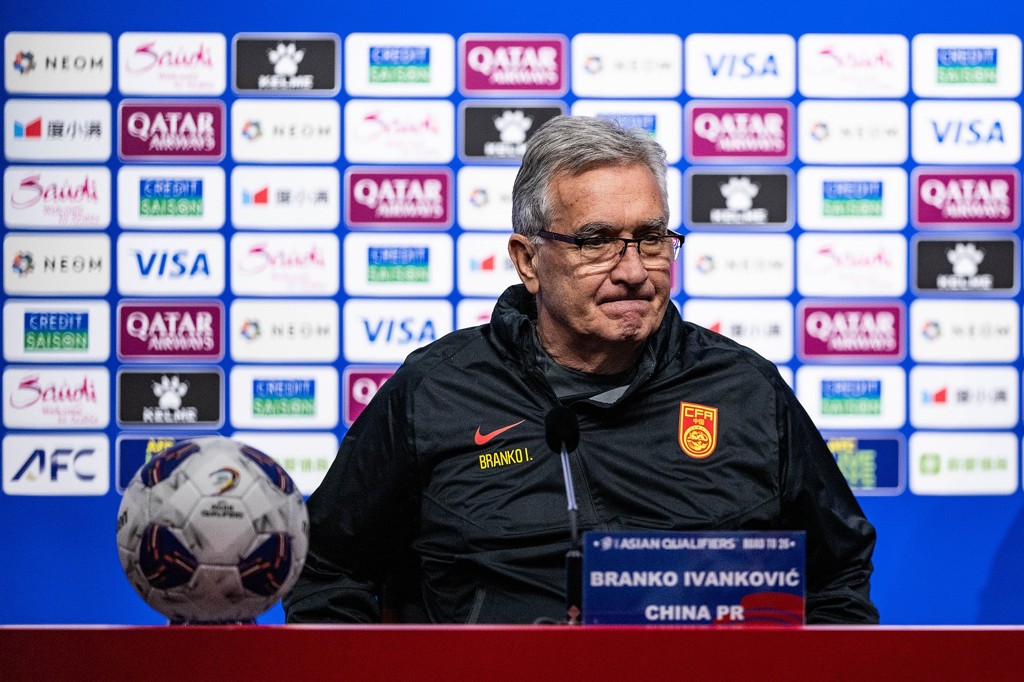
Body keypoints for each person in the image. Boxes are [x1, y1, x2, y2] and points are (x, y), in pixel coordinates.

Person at [284, 116, 879, 625]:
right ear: (528, 260)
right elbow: (327, 568)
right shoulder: (437, 390)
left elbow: (837, 577)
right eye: (596, 241)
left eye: (651, 239)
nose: (633, 271)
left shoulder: (746, 392)